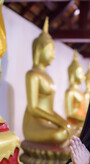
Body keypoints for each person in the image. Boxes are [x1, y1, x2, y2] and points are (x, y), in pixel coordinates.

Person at [23, 17, 73, 147]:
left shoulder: (48, 77)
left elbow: (49, 109)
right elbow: (33, 108)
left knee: (71, 130)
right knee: (60, 134)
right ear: (40, 49)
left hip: (46, 122)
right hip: (33, 124)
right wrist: (60, 123)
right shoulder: (32, 75)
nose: (53, 55)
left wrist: (62, 121)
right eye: (51, 50)